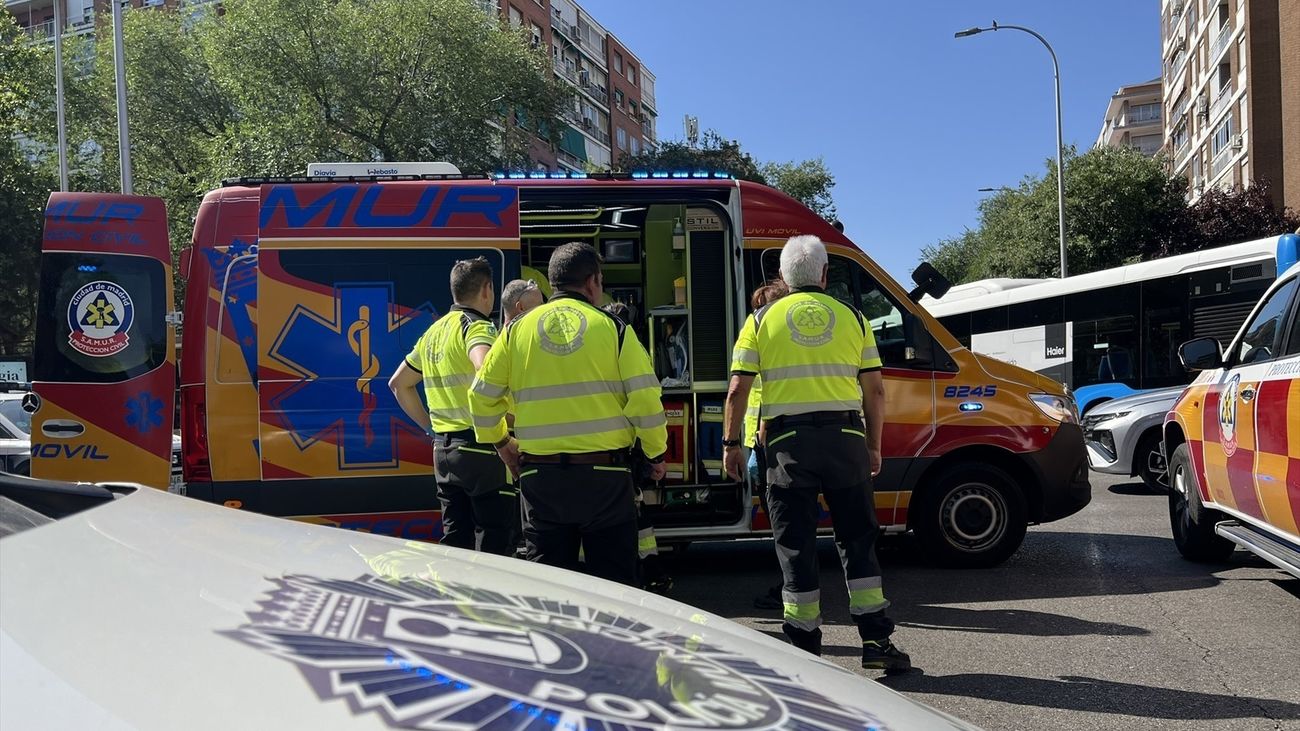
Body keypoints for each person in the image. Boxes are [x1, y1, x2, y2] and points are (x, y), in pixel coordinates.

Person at [722, 235, 910, 675]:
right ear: (825, 274)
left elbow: (738, 389)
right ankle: (877, 641)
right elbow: (875, 391)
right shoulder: (855, 318)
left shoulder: (760, 319)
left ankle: (804, 650)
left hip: (787, 446)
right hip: (846, 440)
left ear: (783, 276)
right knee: (858, 541)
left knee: (796, 546)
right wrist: (874, 446)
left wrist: (731, 445)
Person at [469, 242, 668, 586]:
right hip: (606, 480)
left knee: (550, 589)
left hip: (540, 479)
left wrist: (502, 445)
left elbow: (480, 396)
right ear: (592, 281)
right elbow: (646, 400)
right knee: (614, 588)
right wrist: (655, 454)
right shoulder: (614, 329)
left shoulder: (516, 330)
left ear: (553, 282)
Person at [388, 257, 517, 556]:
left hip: (444, 452)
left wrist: (430, 429)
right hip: (482, 449)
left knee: (455, 542)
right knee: (495, 543)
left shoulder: (433, 332)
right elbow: (484, 369)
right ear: (487, 290)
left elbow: (398, 384)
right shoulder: (478, 327)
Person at [604, 300, 672, 595]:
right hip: (629, 447)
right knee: (636, 512)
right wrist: (655, 455)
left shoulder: (604, 346)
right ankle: (651, 571)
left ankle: (647, 571)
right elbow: (646, 402)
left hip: (615, 448)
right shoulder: (632, 347)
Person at [744, 280, 789, 611]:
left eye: (763, 308)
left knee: (784, 522)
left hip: (769, 442)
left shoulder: (767, 341)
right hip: (761, 442)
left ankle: (791, 586)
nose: (758, 315)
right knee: (783, 522)